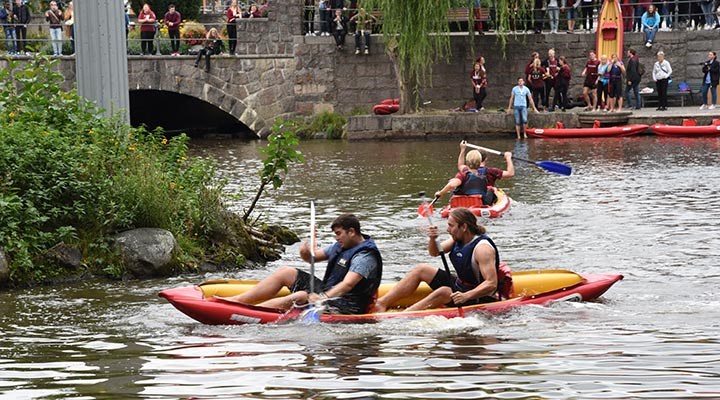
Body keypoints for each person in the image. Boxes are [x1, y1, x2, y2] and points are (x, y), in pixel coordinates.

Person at [224, 214, 383, 315]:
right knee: (286, 271)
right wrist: (305, 253)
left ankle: (249, 313)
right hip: (330, 294)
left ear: (352, 232)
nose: (336, 238)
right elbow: (312, 258)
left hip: (348, 305)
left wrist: (322, 297)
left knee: (300, 296)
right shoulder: (341, 246)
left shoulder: (365, 256)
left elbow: (348, 284)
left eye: (338, 234)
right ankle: (237, 301)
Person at [373, 208, 500, 313]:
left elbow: (491, 284)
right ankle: (382, 303)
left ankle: (405, 315)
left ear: (464, 227)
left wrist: (465, 296)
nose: (447, 229)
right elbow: (434, 252)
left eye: (451, 225)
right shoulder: (457, 239)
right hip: (461, 286)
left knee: (444, 292)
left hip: (479, 296)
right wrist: (433, 239)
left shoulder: (482, 249)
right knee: (421, 269)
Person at [434, 141, 514, 206]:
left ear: (467, 161)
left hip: (462, 203)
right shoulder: (490, 172)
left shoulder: (463, 172)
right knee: (491, 189)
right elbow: (510, 173)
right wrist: (508, 158)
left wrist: (440, 193)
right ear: (484, 159)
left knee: (453, 188)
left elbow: (458, 169)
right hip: (480, 202)